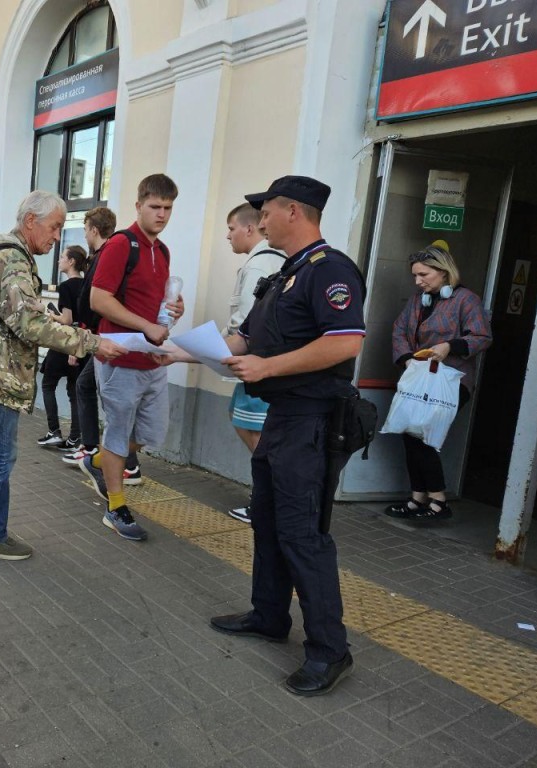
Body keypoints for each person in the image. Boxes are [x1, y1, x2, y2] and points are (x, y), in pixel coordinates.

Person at [206, 175, 364, 697]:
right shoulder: (281, 276)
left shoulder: (331, 270)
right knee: (269, 521)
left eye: (267, 210)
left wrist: (269, 368)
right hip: (282, 420)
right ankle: (269, 614)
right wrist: (180, 350)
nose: (261, 219)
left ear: (293, 211)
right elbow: (243, 336)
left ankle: (329, 650)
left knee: (303, 535)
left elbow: (345, 341)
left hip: (312, 422)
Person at [0, 190, 127, 561]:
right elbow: (27, 323)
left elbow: (14, 313)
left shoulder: (4, 251)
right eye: (55, 226)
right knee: (0, 455)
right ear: (30, 222)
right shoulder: (13, 258)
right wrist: (90, 343)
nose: (58, 236)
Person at [79, 174, 185, 542]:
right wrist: (146, 327)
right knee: (120, 434)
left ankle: (97, 461)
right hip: (119, 357)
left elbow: (152, 304)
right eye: (155, 207)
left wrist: (172, 311)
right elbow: (99, 300)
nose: (162, 214)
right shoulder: (122, 244)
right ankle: (115, 506)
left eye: (168, 208)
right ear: (138, 205)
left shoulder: (163, 250)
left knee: (150, 433)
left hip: (152, 359)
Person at [384, 241, 492, 522]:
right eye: (415, 276)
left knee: (424, 436)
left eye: (424, 275)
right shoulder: (418, 300)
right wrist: (407, 358)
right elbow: (399, 329)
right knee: (410, 433)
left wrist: (450, 346)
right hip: (421, 378)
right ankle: (417, 498)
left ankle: (438, 502)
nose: (418, 282)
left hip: (452, 381)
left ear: (444, 273)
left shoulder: (466, 300)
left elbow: (482, 337)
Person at [61, 207, 144, 485]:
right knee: (95, 392)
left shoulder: (109, 254)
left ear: (94, 230)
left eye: (85, 229)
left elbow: (97, 302)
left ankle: (116, 459)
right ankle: (97, 449)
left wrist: (85, 340)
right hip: (101, 338)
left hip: (106, 340)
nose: (84, 234)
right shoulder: (103, 255)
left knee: (109, 399)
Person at [223, 203, 285, 523]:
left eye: (231, 228)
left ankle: (268, 499)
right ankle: (268, 495)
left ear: (249, 229)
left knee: (255, 432)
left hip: (256, 363)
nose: (228, 235)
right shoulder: (270, 260)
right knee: (241, 420)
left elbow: (247, 323)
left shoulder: (260, 265)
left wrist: (221, 346)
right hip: (261, 362)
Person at [37, 245, 88, 448]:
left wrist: (48, 313)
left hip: (64, 342)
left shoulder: (66, 287)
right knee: (74, 390)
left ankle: (54, 431)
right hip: (81, 343)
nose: (59, 260)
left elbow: (67, 319)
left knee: (48, 384)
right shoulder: (86, 284)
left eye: (63, 257)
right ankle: (75, 437)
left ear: (72, 261)